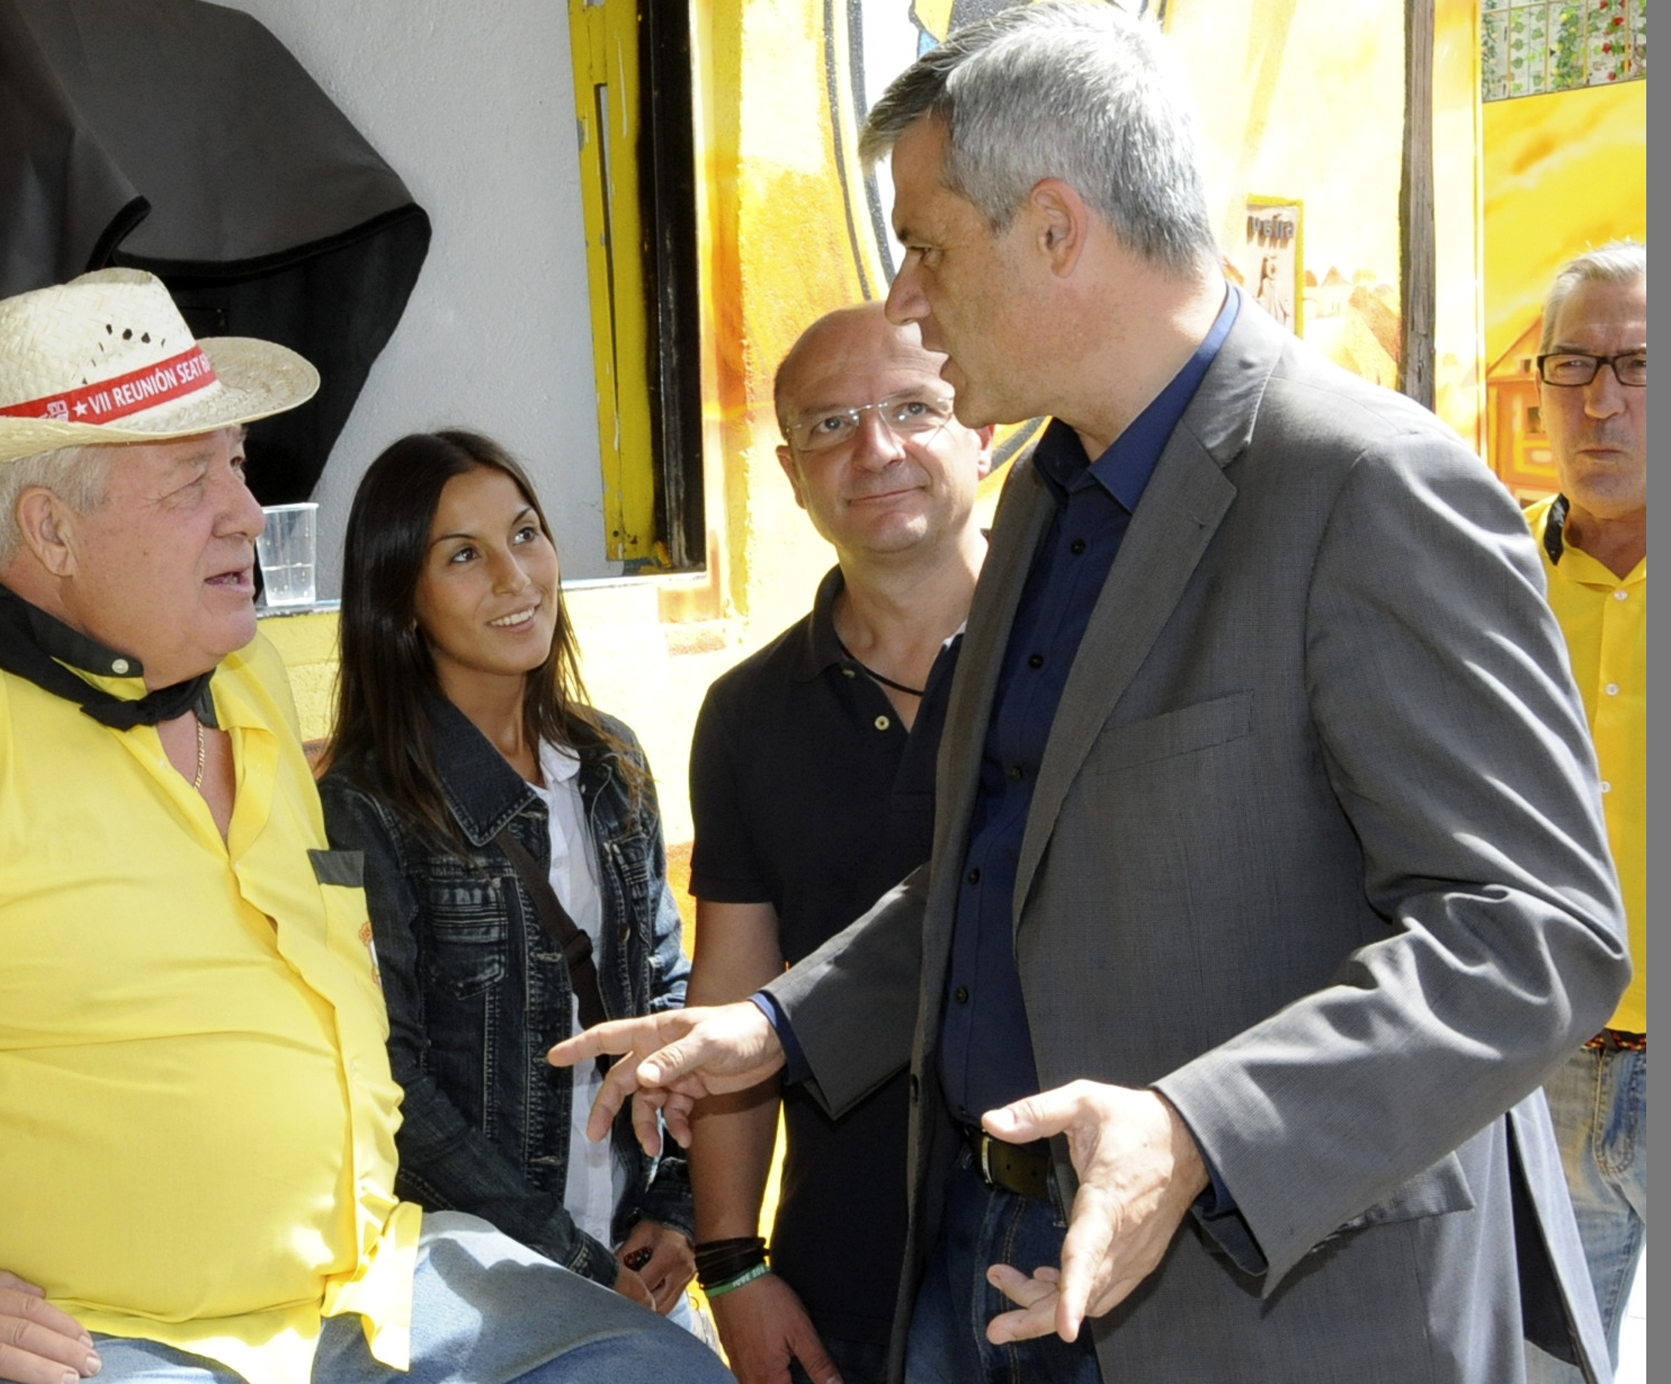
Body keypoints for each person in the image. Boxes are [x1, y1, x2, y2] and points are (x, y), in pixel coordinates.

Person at [551, 7, 1628, 1384]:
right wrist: (772, 1027)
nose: (904, 301)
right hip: (1005, 1267)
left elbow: (1534, 929)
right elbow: (996, 873)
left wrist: (1200, 1129)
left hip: (1286, 1314)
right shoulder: (1046, 496)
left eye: (928, 249)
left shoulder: (1364, 488)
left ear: (1054, 230)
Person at [0, 269, 732, 1384]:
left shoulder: (252, 689)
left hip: (377, 1295)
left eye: (236, 464)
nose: (246, 509)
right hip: (95, 1343)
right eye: (192, 482)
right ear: (50, 530)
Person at [316, 430, 704, 1325]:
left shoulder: (611, 763)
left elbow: (672, 997)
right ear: (400, 600)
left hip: (635, 1256)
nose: (514, 576)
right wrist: (570, 1257)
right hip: (479, 1285)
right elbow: (387, 1082)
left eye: (525, 534)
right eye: (463, 555)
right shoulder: (361, 808)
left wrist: (676, 1212)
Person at [684, 305, 990, 1384]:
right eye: (831, 425)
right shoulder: (745, 712)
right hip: (846, 1286)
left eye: (916, 408)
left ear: (982, 429)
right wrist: (730, 1266)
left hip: (1074, 1263)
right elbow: (733, 992)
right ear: (788, 471)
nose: (876, 449)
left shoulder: (1076, 661)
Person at [1520, 240, 1646, 1383]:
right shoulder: (1484, 572)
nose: (1602, 399)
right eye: (1575, 362)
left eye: (1638, 363)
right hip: (1536, 1062)